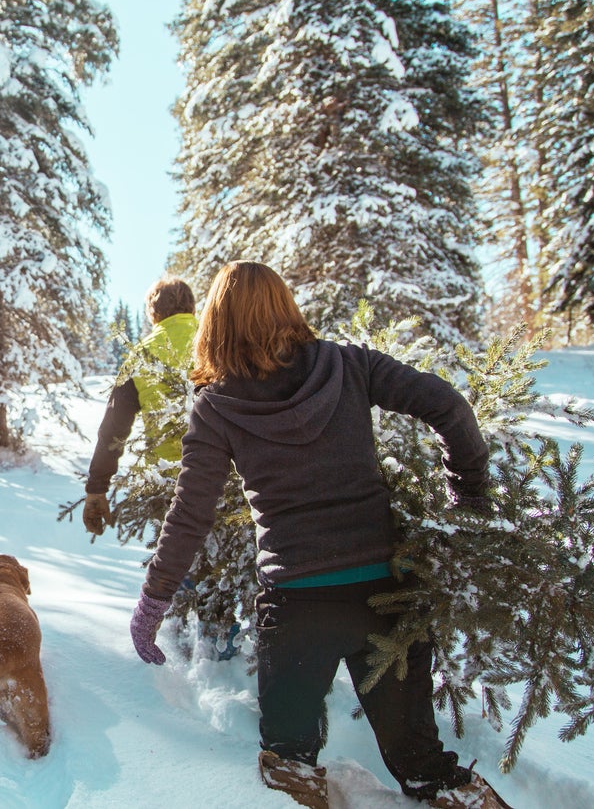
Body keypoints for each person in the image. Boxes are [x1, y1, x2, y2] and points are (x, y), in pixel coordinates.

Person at [128, 261, 510, 809]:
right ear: (286, 307)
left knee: (289, 766)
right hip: (387, 593)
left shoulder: (215, 408)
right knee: (426, 768)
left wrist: (154, 600)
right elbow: (448, 405)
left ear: (216, 323)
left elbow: (191, 513)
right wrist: (469, 498)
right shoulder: (347, 363)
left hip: (298, 605)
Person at [82, 276, 197, 537]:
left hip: (166, 481)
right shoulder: (214, 338)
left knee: (173, 563)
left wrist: (96, 487)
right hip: (223, 476)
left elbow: (113, 428)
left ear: (153, 314)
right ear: (192, 308)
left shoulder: (141, 354)